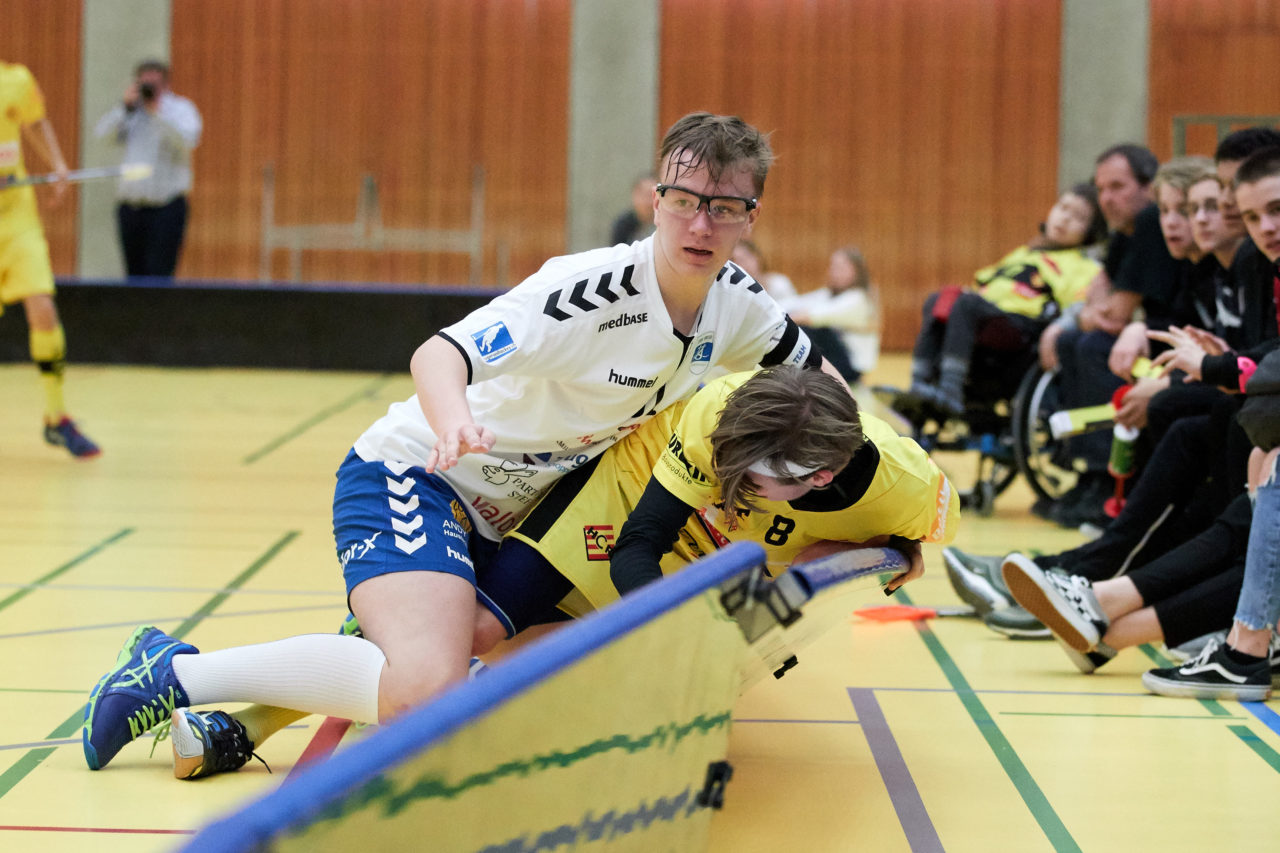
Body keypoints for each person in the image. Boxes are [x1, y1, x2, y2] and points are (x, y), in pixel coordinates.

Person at [80, 112, 840, 774]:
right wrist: (453, 423)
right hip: (418, 478)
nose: (700, 224)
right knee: (426, 695)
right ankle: (177, 671)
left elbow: (828, 392)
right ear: (657, 201)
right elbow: (439, 354)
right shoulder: (589, 291)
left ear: (752, 215)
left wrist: (881, 493)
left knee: (572, 664)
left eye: (723, 207)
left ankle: (277, 697)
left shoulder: (741, 308)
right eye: (684, 201)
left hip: (523, 516)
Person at [163, 364, 955, 780]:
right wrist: (691, 632)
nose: (734, 483)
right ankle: (230, 709)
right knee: (464, 640)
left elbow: (911, 552)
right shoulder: (724, 411)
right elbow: (642, 543)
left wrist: (883, 563)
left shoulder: (909, 487)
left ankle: (241, 691)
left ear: (819, 477)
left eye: (755, 480)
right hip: (618, 510)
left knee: (536, 685)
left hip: (724, 563)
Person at [900, 184, 1105, 419]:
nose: (1065, 218)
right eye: (1063, 208)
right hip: (985, 319)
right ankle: (919, 384)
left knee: (966, 304)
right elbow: (983, 287)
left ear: (1090, 232)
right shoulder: (1022, 254)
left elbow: (1077, 309)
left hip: (1023, 332)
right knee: (940, 298)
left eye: (1078, 217)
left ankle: (950, 389)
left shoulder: (1083, 267)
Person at [0, 60, 100, 457]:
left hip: (17, 216)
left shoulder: (15, 79)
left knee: (42, 307)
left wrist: (57, 165)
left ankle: (57, 418)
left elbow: (35, 122)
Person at [93, 59, 202, 277]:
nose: (150, 90)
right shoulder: (130, 112)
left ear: (166, 85)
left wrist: (157, 113)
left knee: (159, 275)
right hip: (130, 209)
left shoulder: (180, 109)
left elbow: (188, 140)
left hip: (166, 208)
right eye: (145, 84)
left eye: (155, 84)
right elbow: (101, 137)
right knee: (133, 276)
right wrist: (124, 108)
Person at [781, 246, 881, 384]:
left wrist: (778, 321)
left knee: (810, 330)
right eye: (833, 266)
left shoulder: (858, 298)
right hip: (839, 360)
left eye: (841, 267)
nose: (834, 272)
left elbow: (812, 317)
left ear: (857, 271)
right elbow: (797, 302)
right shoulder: (829, 294)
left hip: (851, 367)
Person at [731, 238, 797, 302]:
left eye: (745, 259)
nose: (742, 265)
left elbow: (794, 309)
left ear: (757, 258)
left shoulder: (779, 283)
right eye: (735, 261)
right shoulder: (732, 292)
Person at [607, 172, 657, 246]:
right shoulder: (623, 225)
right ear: (634, 195)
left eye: (653, 195)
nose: (648, 201)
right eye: (645, 195)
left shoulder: (666, 223)